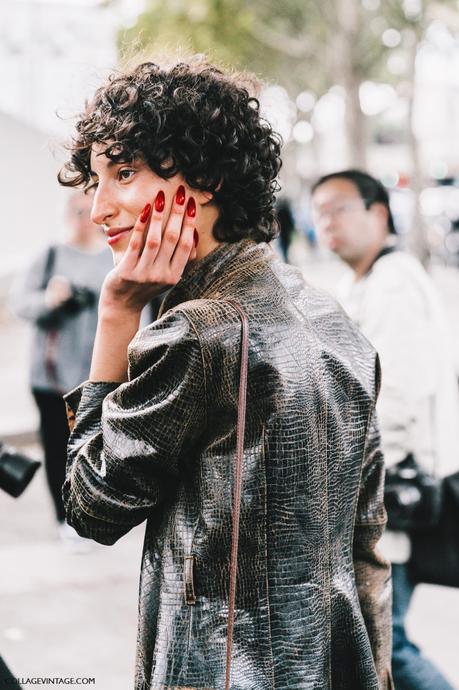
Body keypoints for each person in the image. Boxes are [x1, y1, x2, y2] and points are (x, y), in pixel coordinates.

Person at [58, 59, 392, 690]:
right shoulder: (332, 319)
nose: (99, 208)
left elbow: (89, 507)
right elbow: (367, 548)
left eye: (123, 173)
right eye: (93, 182)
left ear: (204, 178)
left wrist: (116, 313)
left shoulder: (198, 335)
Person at [311, 169, 459, 690]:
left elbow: (396, 396)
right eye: (319, 212)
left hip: (391, 492)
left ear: (378, 213)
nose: (326, 221)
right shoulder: (360, 281)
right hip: (381, 491)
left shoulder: (394, 279)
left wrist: (356, 481)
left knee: (386, 645)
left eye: (338, 208)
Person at [10, 192, 112, 545]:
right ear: (66, 213)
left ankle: (95, 515)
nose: (84, 217)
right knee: (57, 447)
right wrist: (50, 300)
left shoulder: (114, 256)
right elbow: (20, 303)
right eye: (76, 210)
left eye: (90, 209)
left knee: (96, 448)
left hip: (96, 376)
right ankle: (64, 519)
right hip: (50, 376)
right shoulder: (50, 254)